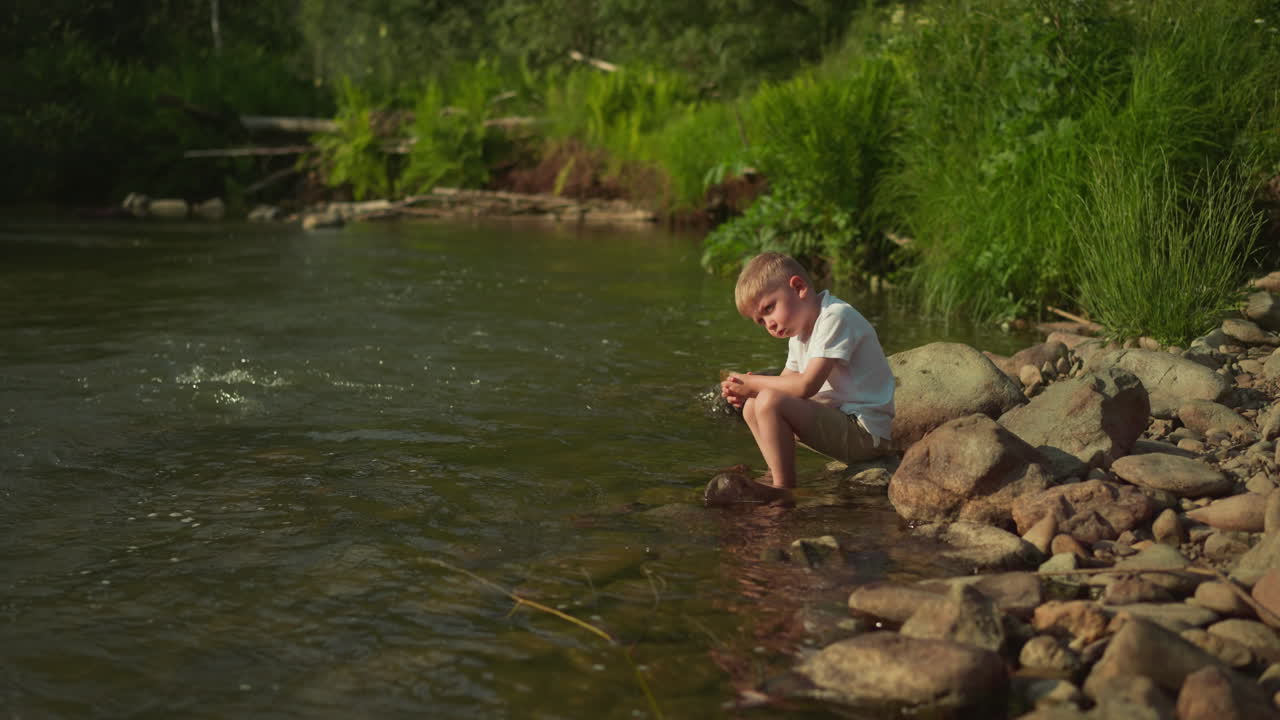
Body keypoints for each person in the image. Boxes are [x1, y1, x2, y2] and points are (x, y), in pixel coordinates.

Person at [709, 252, 895, 504]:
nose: (770, 325)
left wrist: (756, 383)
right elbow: (785, 386)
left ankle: (784, 489)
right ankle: (775, 473)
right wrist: (748, 392)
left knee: (768, 401)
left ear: (798, 287)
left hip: (865, 434)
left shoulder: (835, 317)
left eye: (769, 309)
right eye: (760, 322)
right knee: (755, 405)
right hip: (839, 423)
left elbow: (806, 386)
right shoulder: (799, 334)